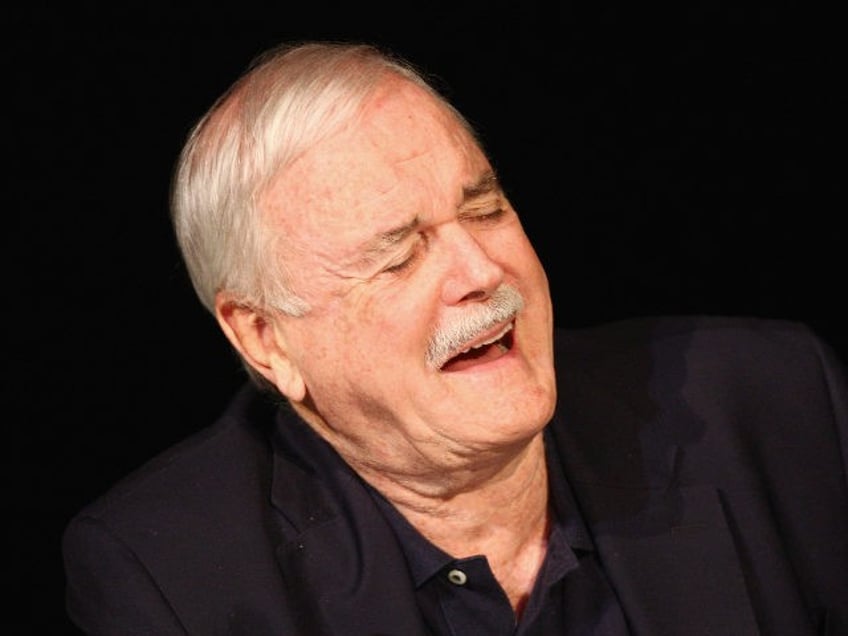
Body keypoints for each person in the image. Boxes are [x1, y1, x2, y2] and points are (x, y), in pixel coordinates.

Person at [62, 41, 848, 635]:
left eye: (484, 210)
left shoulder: (774, 402)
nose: (482, 270)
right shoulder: (172, 580)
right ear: (265, 338)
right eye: (399, 254)